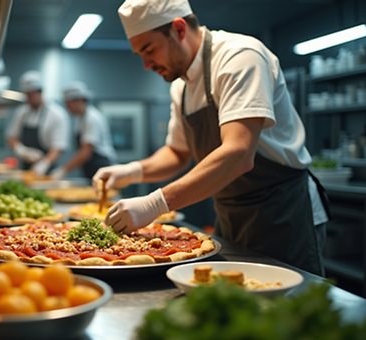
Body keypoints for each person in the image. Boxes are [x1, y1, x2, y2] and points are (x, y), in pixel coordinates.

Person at [93, 0, 331, 275]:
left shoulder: (240, 58)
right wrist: (132, 171)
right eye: (140, 55)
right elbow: (177, 153)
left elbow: (239, 153)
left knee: (291, 308)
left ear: (179, 29)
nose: (146, 64)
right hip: (229, 214)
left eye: (150, 49)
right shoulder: (181, 87)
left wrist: (154, 203)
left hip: (283, 213)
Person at [7, 70, 70, 176]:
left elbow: (58, 146)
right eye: (26, 96)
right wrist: (21, 151)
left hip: (47, 169)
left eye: (30, 96)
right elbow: (11, 136)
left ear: (40, 92)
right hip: (25, 169)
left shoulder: (57, 114)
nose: (28, 100)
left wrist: (43, 164)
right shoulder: (22, 112)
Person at [50, 81, 117, 180]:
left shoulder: (92, 118)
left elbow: (85, 153)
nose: (67, 107)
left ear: (79, 100)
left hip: (103, 168)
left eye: (68, 103)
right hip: (90, 170)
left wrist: (63, 170)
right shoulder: (80, 119)